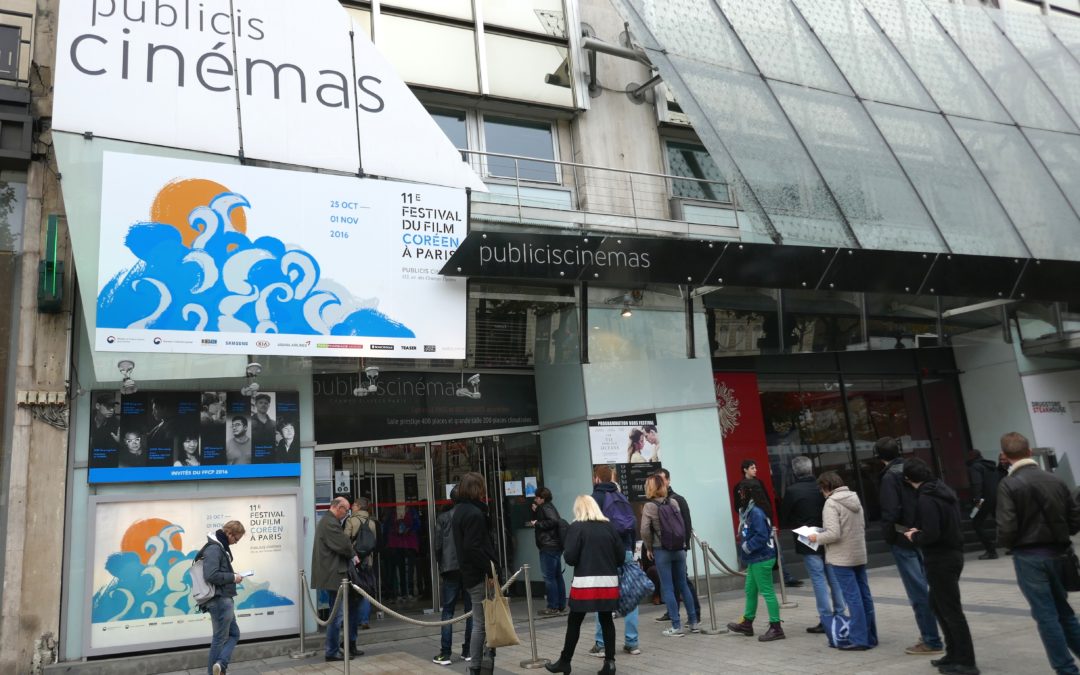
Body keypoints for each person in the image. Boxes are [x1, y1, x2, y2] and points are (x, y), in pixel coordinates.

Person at [997, 431, 1080, 675]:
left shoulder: (1009, 484)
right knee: (1063, 611)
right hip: (1059, 552)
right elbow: (1074, 516)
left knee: (1046, 616)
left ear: (1004, 456)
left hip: (1029, 556)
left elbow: (1007, 525)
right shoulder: (1055, 480)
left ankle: (1065, 668)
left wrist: (1008, 544)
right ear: (1029, 451)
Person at [903, 458, 978, 675]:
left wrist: (914, 535)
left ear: (908, 479)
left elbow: (932, 534)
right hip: (951, 554)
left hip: (941, 558)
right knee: (938, 605)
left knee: (951, 611)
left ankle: (966, 661)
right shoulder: (942, 491)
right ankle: (953, 654)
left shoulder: (926, 498)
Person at [875, 436, 942, 656]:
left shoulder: (889, 477)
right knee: (931, 586)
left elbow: (890, 511)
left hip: (904, 536)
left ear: (878, 456)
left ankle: (931, 639)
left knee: (917, 590)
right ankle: (934, 635)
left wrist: (890, 536)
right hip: (924, 534)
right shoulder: (916, 470)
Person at [544, 495, 623, 675]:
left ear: (579, 509)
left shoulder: (577, 527)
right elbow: (620, 556)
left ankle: (565, 661)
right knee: (606, 620)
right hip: (608, 582)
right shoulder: (609, 526)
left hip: (585, 583)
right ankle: (610, 663)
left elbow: (570, 558)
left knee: (574, 621)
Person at [808, 472, 876, 651]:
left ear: (826, 486)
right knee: (864, 595)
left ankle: (859, 638)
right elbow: (860, 526)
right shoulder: (854, 498)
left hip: (842, 557)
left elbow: (833, 534)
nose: (821, 492)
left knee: (852, 598)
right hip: (858, 553)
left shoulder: (831, 503)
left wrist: (815, 537)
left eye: (821, 488)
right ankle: (871, 635)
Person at [780, 456, 844, 634]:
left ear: (794, 471)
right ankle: (840, 615)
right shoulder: (822, 487)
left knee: (818, 581)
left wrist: (799, 523)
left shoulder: (792, 491)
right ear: (811, 468)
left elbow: (784, 517)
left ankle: (826, 620)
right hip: (828, 538)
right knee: (834, 579)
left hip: (807, 540)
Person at [590, 465, 641, 657]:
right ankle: (632, 642)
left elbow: (591, 529)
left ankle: (601, 644)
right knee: (630, 595)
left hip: (605, 554)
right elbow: (631, 526)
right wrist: (631, 550)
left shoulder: (594, 498)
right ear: (612, 478)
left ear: (597, 479)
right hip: (625, 551)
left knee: (602, 596)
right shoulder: (621, 497)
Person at [452, 472, 500, 675]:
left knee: (481, 622)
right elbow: (472, 547)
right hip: (479, 574)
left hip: (470, 573)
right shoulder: (473, 513)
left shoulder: (460, 511)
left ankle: (480, 664)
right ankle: (478, 666)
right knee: (481, 623)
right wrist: (490, 570)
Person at [641, 474, 699, 637]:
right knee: (683, 585)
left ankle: (676, 625)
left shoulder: (649, 506)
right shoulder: (673, 502)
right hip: (679, 549)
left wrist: (649, 547)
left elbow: (645, 529)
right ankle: (693, 622)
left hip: (662, 550)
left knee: (667, 587)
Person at [727, 480, 784, 642]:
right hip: (756, 558)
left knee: (767, 592)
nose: (740, 494)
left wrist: (746, 547)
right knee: (750, 590)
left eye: (742, 492)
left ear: (749, 493)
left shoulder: (756, 513)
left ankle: (776, 627)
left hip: (761, 557)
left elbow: (761, 536)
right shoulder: (751, 511)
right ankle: (747, 622)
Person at [311, 496, 362, 662]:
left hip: (332, 572)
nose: (346, 513)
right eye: (345, 510)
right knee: (336, 615)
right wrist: (352, 552)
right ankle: (332, 651)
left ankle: (333, 650)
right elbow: (344, 545)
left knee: (336, 613)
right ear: (338, 507)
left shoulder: (328, 521)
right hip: (334, 574)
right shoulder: (330, 523)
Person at [432, 488, 473, 666]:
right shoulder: (471, 516)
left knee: (448, 611)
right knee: (471, 610)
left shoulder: (443, 518)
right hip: (469, 567)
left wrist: (441, 564)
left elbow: (438, 545)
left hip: (450, 567)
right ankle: (469, 649)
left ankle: (446, 652)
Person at [202, 520, 246, 675]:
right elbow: (210, 575)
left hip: (224, 599)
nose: (235, 543)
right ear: (229, 533)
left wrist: (232, 576)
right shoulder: (214, 548)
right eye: (236, 539)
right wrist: (233, 577)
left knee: (233, 634)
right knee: (220, 639)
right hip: (220, 600)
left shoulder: (220, 547)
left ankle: (220, 666)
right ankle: (218, 666)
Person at [344, 497, 378, 651]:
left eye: (354, 505)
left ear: (358, 507)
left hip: (354, 562)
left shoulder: (351, 521)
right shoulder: (372, 522)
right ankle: (364, 619)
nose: (352, 507)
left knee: (354, 592)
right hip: (367, 562)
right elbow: (374, 542)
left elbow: (345, 541)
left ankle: (354, 621)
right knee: (366, 591)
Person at [528, 487, 566, 616]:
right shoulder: (548, 507)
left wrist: (537, 524)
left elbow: (552, 521)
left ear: (541, 498)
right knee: (557, 576)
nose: (535, 499)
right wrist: (536, 513)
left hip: (548, 546)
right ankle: (560, 605)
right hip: (554, 545)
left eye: (537, 497)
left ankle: (553, 606)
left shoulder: (545, 507)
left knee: (549, 577)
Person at [966, 449, 1000, 560]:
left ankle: (991, 551)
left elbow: (977, 484)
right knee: (1000, 522)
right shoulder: (992, 466)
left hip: (983, 500)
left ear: (971, 457)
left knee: (976, 523)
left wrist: (977, 500)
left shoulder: (975, 467)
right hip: (996, 497)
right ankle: (1012, 545)